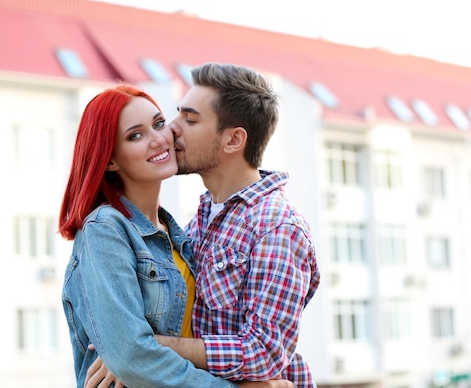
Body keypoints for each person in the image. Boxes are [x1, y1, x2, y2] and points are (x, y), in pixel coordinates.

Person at [89, 62, 321, 387]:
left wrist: (151, 349)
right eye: (177, 114)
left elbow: (264, 353)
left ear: (233, 140)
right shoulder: (199, 221)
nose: (171, 128)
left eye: (190, 119)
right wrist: (133, 358)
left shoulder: (276, 227)